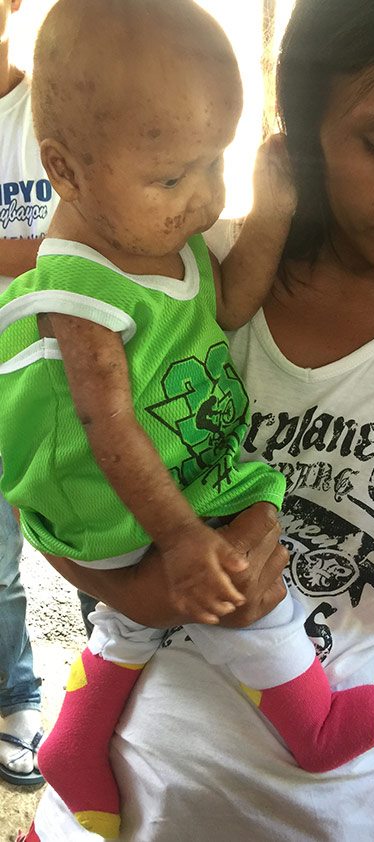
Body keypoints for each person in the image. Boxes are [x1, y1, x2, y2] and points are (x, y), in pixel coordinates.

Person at [22, 0, 374, 840]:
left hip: (334, 816)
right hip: (106, 813)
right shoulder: (174, 277)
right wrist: (137, 585)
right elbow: (49, 481)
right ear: (307, 108)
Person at [0, 1, 374, 838]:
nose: (202, 198)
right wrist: (185, 535)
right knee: (240, 565)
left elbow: (222, 306)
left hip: (147, 482)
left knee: (131, 618)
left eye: (215, 163)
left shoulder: (153, 239)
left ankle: (76, 744)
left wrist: (270, 215)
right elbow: (108, 426)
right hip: (115, 494)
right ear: (65, 172)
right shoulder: (77, 285)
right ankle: (310, 723)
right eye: (173, 178)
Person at [0, 0, 58, 789]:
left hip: (63, 372)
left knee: (112, 542)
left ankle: (120, 700)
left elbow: (101, 231)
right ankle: (16, 694)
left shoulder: (54, 107)